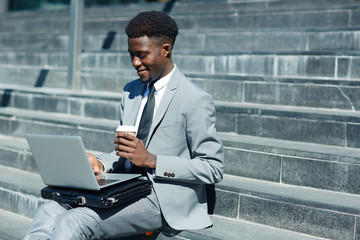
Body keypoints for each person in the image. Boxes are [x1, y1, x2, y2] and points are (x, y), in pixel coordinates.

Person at [24, 10, 224, 239]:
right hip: (123, 185)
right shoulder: (131, 91)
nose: (134, 63)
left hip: (161, 196)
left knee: (76, 220)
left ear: (166, 49)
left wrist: (153, 160)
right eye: (131, 55)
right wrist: (100, 163)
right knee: (49, 209)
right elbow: (125, 152)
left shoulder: (194, 99)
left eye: (141, 55)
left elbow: (213, 167)